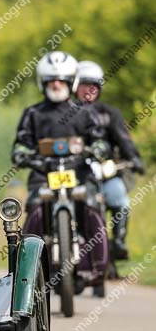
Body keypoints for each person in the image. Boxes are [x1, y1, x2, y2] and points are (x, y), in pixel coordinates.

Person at [11, 51, 107, 210]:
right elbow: (22, 143)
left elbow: (99, 139)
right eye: (51, 81)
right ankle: (33, 236)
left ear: (71, 82)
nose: (56, 85)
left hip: (80, 173)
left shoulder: (85, 112)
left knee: (92, 206)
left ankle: (100, 236)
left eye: (61, 80)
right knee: (34, 207)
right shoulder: (32, 113)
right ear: (43, 83)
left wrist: (99, 147)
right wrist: (21, 153)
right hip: (42, 175)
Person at [73, 60, 144, 260]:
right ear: (75, 87)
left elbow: (123, 139)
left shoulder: (109, 113)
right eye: (85, 85)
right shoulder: (65, 113)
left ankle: (119, 242)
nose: (89, 89)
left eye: (94, 85)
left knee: (120, 198)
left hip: (105, 172)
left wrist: (135, 159)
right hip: (76, 174)